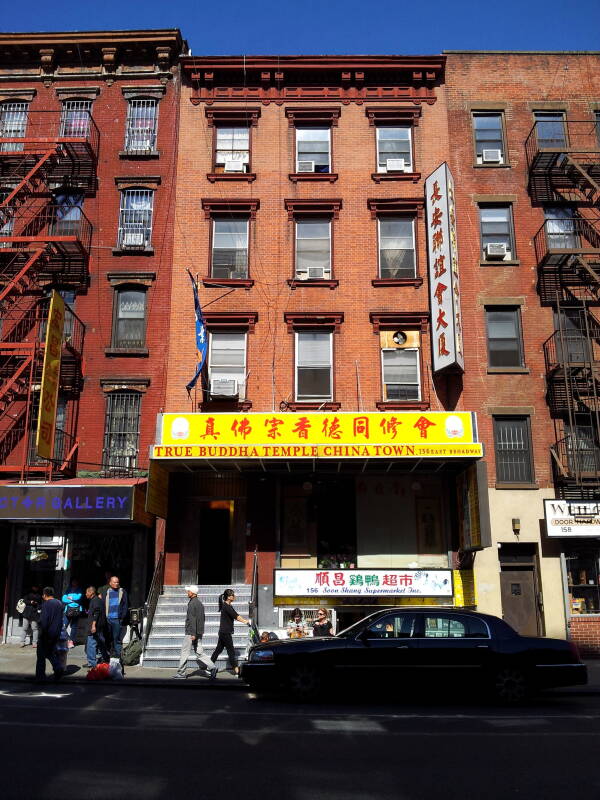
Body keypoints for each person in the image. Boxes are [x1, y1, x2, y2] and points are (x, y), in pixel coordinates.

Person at [172, 585, 216, 679]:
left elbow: (192, 620)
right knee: (199, 653)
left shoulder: (192, 604)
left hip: (191, 633)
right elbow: (202, 619)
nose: (187, 593)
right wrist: (198, 632)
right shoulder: (199, 603)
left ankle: (181, 673)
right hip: (198, 632)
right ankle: (212, 667)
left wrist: (193, 633)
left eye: (188, 591)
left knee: (184, 652)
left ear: (192, 593)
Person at [210, 589, 250, 677]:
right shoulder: (226, 606)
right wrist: (246, 622)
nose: (234, 596)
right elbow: (236, 616)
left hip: (223, 632)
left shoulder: (228, 605)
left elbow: (236, 614)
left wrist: (245, 621)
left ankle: (209, 666)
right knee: (231, 651)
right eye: (233, 595)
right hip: (225, 632)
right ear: (228, 597)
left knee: (218, 650)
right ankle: (236, 670)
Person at [36, 587, 64, 682]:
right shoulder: (59, 603)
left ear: (44, 595)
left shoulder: (46, 604)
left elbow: (44, 621)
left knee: (41, 655)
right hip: (56, 633)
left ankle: (40, 677)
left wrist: (42, 632)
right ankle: (58, 667)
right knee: (50, 652)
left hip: (46, 633)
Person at [103, 575, 128, 659]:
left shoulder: (122, 591)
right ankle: (108, 654)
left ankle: (117, 656)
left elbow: (125, 605)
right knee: (107, 637)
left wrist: (122, 617)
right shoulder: (106, 591)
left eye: (117, 582)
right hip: (107, 619)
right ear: (110, 583)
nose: (117, 583)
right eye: (115, 582)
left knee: (116, 638)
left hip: (117, 619)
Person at [84, 586, 108, 668]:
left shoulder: (95, 601)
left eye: (87, 592)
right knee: (101, 642)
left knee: (91, 644)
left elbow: (96, 612)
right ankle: (105, 658)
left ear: (91, 593)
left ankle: (92, 663)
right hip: (100, 625)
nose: (85, 594)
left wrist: (93, 625)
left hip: (95, 626)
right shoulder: (98, 600)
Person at [62, 579, 83, 649]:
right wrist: (73, 600)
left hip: (76, 610)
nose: (74, 582)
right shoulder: (68, 589)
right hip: (67, 610)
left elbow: (78, 597)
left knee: (74, 627)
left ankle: (71, 641)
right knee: (64, 626)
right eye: (73, 581)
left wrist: (70, 598)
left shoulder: (79, 589)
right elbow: (63, 599)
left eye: (75, 581)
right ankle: (67, 639)